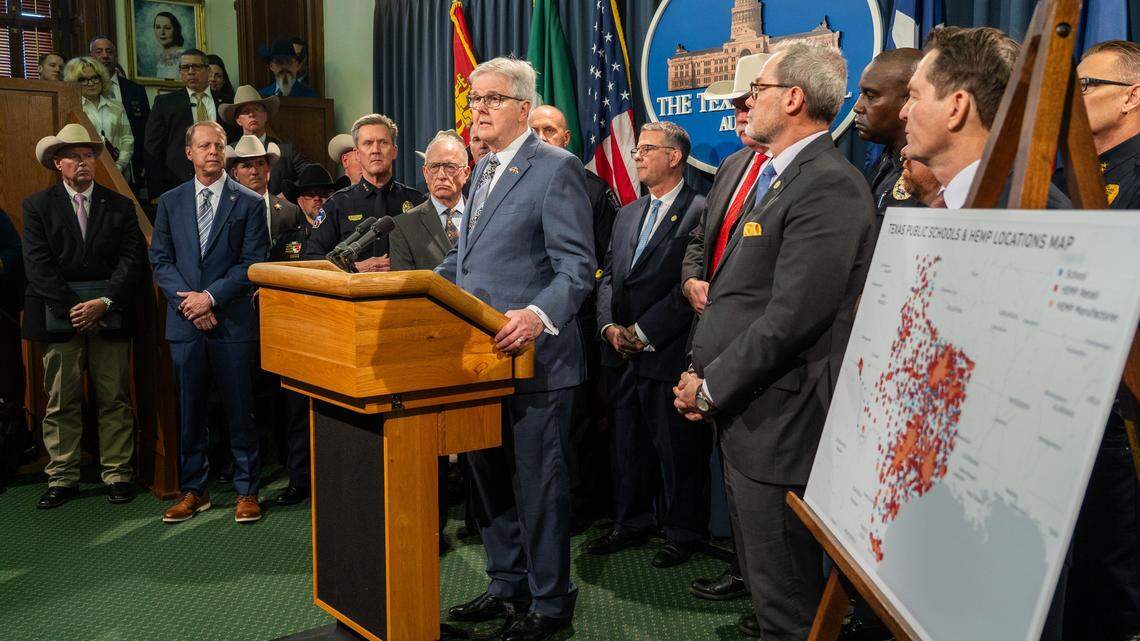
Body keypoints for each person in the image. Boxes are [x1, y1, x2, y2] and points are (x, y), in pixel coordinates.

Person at [673, 44, 876, 641]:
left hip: (781, 418)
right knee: (768, 590)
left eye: (757, 89)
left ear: (792, 98)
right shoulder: (781, 175)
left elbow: (791, 317)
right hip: (751, 410)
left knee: (786, 599)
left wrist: (710, 387)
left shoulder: (828, 185)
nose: (746, 100)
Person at [437, 57, 594, 641]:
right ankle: (507, 586)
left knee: (539, 490)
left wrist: (536, 314)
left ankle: (550, 603)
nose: (477, 109)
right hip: (479, 362)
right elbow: (466, 262)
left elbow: (576, 268)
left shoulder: (556, 168)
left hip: (537, 364)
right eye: (474, 98)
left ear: (524, 109)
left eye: (491, 99)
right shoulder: (480, 169)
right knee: (489, 483)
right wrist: (413, 284)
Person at [590, 121, 710, 568]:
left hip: (667, 351)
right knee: (626, 446)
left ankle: (684, 531)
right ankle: (632, 521)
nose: (637, 156)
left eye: (646, 149)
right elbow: (607, 276)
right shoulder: (627, 213)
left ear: (674, 157)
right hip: (620, 354)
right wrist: (609, 327)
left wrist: (643, 332)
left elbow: (690, 285)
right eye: (636, 149)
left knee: (679, 452)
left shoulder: (700, 209)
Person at [680, 53, 771, 611]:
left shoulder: (807, 176)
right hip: (712, 332)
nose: (739, 114)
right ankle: (743, 568)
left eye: (746, 103)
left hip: (761, 348)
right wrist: (692, 278)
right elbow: (700, 238)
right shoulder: (734, 166)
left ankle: (765, 586)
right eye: (734, 107)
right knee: (730, 467)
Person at [1059, 39, 1140, 641]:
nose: (1075, 97)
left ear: (1133, 96)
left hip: (1121, 401)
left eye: (1088, 86)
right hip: (1063, 395)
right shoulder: (1062, 175)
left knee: (1113, 572)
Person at [149, 121, 269, 524]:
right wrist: (191, 305)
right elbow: (160, 260)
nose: (213, 152)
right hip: (186, 323)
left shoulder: (249, 202)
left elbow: (252, 263)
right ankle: (194, 491)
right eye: (204, 146)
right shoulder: (170, 202)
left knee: (240, 410)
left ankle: (247, 490)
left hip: (232, 322)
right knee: (191, 411)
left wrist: (210, 298)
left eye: (218, 145)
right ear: (190, 154)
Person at [23, 124, 147, 509]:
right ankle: (62, 477)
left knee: (115, 396)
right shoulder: (37, 206)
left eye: (89, 156)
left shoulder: (120, 206)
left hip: (110, 313)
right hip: (58, 315)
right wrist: (75, 309)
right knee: (61, 400)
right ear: (57, 163)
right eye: (74, 157)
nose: (83, 163)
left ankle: (118, 473)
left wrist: (104, 303)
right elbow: (38, 265)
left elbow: (132, 260)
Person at [528, 103, 620, 532]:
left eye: (550, 130)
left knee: (579, 421)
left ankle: (580, 506)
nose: (541, 138)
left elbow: (602, 263)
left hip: (576, 321)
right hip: (524, 322)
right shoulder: (510, 182)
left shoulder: (593, 189)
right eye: (535, 130)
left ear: (566, 139)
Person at [900, 27, 1068, 210]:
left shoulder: (1033, 214)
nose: (903, 113)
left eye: (914, 96)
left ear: (956, 108)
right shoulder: (961, 204)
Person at [302, 114, 425, 270]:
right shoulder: (336, 204)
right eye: (368, 143)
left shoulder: (417, 202)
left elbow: (433, 256)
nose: (375, 150)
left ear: (394, 151)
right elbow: (313, 259)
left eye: (383, 142)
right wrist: (353, 268)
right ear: (358, 154)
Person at [144, 49, 234, 199]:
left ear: (208, 71)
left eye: (196, 67)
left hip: (222, 183)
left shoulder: (227, 102)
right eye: (185, 68)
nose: (191, 72)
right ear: (180, 72)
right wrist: (156, 191)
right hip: (177, 184)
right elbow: (152, 148)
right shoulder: (165, 103)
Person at [853, 48, 926, 230]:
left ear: (909, 99)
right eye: (861, 94)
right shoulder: (884, 163)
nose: (858, 107)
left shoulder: (928, 177)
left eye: (870, 96)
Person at [389, 130, 468, 270]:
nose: (441, 175)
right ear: (425, 173)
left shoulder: (485, 216)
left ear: (466, 173)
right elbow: (406, 282)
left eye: (450, 167)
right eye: (434, 167)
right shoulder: (403, 226)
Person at [220, 85, 310, 197]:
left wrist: (288, 193)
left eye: (256, 109)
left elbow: (311, 174)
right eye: (246, 111)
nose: (252, 114)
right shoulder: (229, 154)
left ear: (265, 115)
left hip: (279, 206)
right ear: (238, 120)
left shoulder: (286, 150)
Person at [89, 36, 151, 189]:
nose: (105, 55)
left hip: (131, 167)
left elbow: (146, 129)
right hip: (93, 164)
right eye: (99, 52)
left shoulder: (136, 90)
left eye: (109, 51)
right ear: (91, 56)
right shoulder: (84, 89)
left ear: (115, 56)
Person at [64, 57, 134, 177]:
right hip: (82, 172)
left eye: (95, 78)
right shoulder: (72, 109)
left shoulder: (117, 107)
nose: (91, 83)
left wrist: (119, 165)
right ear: (74, 82)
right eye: (83, 80)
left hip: (117, 172)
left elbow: (127, 139)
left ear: (102, 79)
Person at [225, 134, 300, 245]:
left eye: (260, 164)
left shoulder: (290, 211)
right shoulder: (225, 211)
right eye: (246, 166)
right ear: (235, 173)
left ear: (268, 170)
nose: (254, 171)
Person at [276, 164, 348, 262]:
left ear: (335, 198)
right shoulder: (286, 241)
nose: (317, 198)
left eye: (324, 193)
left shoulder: (347, 235)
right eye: (310, 194)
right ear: (299, 201)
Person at [152, 11, 185, 79]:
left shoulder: (184, 57)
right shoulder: (161, 58)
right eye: (158, 27)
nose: (162, 32)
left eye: (167, 28)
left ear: (176, 30)